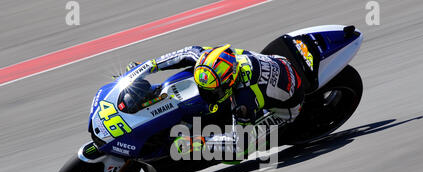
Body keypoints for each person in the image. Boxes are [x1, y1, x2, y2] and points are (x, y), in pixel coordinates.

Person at [119, 45, 304, 126]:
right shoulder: (211, 58)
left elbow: (238, 145)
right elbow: (181, 54)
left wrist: (202, 141)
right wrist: (142, 70)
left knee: (242, 146)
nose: (205, 92)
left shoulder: (244, 99)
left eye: (213, 90)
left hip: (287, 109)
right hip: (277, 61)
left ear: (230, 82)